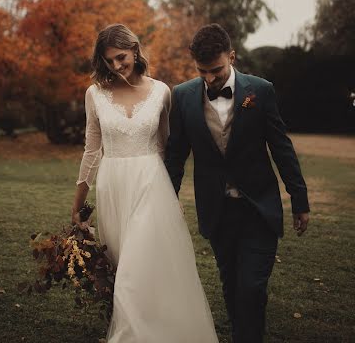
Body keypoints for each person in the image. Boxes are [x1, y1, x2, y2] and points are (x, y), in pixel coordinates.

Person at [72, 23, 219, 343]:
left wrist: (173, 194)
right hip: (113, 187)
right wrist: (78, 206)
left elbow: (168, 148)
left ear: (135, 51)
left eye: (121, 57)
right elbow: (91, 150)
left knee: (131, 274)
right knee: (123, 264)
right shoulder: (94, 94)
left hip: (152, 186)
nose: (116, 65)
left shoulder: (162, 92)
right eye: (108, 60)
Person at [165, 23, 310, 343]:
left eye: (216, 70)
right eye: (202, 72)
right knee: (230, 283)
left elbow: (282, 148)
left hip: (259, 207)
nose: (209, 79)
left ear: (231, 56)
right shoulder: (183, 96)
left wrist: (299, 200)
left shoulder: (261, 90)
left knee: (252, 286)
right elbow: (175, 157)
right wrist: (165, 200)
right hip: (216, 210)